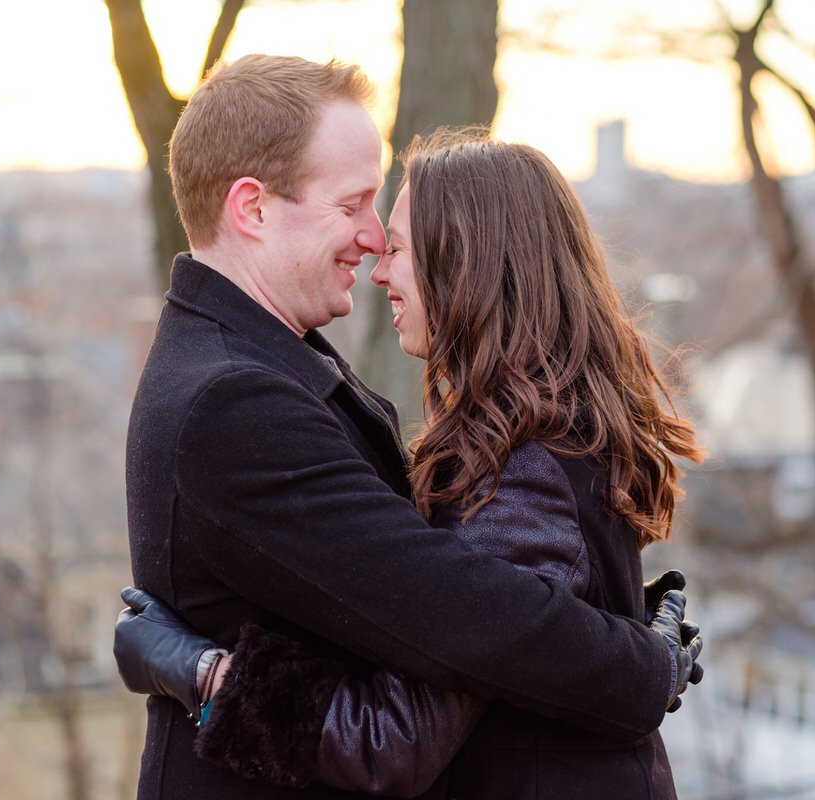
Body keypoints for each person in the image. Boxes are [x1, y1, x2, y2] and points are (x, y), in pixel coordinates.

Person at [121, 54, 702, 800]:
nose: (371, 247)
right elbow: (468, 614)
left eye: (392, 234)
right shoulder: (234, 401)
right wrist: (641, 661)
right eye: (353, 206)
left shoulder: (267, 370)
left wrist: (196, 670)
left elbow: (471, 612)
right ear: (253, 208)